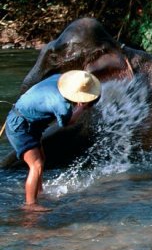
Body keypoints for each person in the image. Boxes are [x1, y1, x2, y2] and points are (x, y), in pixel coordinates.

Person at [4, 70, 102, 210]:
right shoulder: (62, 105)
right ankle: (30, 205)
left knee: (41, 160)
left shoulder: (58, 78)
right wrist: (82, 108)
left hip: (30, 123)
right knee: (36, 164)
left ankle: (39, 192)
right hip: (20, 126)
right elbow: (68, 122)